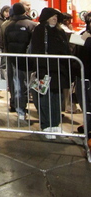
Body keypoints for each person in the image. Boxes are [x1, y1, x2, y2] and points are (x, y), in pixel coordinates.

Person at [29, 8, 70, 139]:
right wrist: (39, 68)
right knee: (45, 98)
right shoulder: (40, 30)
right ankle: (46, 125)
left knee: (57, 98)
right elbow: (36, 49)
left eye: (56, 16)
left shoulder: (60, 31)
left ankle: (56, 124)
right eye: (52, 16)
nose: (55, 18)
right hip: (45, 69)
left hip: (58, 70)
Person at [1, 2, 36, 120]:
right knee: (30, 84)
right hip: (28, 60)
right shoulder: (32, 25)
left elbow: (4, 43)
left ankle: (20, 109)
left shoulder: (6, 25)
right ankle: (34, 109)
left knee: (16, 84)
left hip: (12, 59)